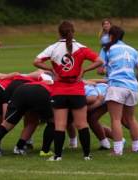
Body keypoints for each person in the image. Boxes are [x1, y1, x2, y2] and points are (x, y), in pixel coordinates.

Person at [33, 20, 103, 161]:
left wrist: (51, 69)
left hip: (59, 90)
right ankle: (86, 155)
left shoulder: (53, 48)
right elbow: (100, 61)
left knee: (59, 125)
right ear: (73, 32)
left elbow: (36, 61)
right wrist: (84, 70)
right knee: (82, 124)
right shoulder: (81, 48)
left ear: (59, 33)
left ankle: (58, 156)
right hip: (77, 90)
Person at [100, 25, 138, 156]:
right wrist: (134, 81)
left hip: (117, 86)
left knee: (115, 119)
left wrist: (105, 70)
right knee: (131, 119)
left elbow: (100, 69)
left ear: (111, 36)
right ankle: (137, 148)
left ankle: (118, 150)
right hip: (132, 87)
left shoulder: (107, 48)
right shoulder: (133, 50)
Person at [84, 82, 138, 150]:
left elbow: (100, 73)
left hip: (113, 91)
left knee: (124, 120)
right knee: (92, 119)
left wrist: (87, 71)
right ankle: (107, 143)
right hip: (122, 88)